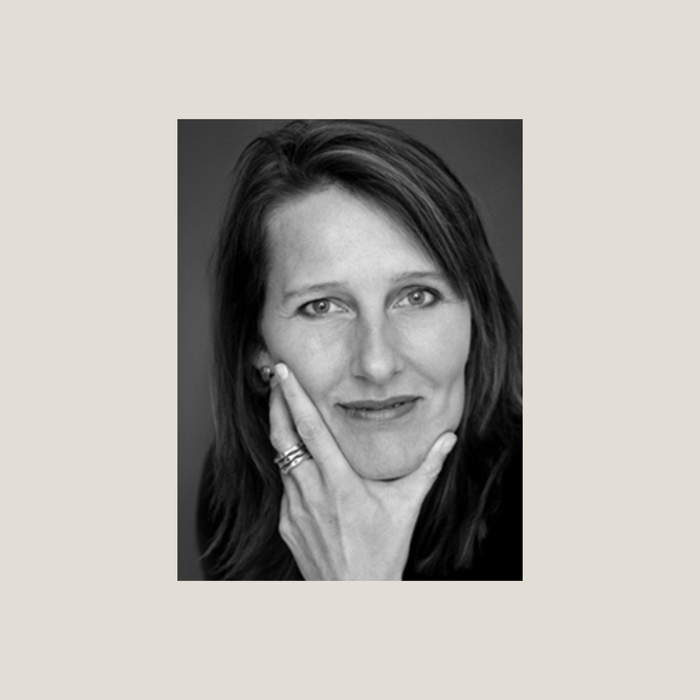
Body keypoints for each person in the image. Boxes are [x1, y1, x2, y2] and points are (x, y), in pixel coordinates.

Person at [197, 120, 522, 580]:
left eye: (417, 297)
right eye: (322, 306)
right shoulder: (234, 497)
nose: (377, 364)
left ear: (477, 315)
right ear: (257, 344)